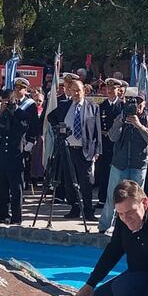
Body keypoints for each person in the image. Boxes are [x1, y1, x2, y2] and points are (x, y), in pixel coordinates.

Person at [98, 92, 148, 233]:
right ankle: (104, 226)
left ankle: (138, 226)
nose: (136, 109)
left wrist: (139, 125)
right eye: (133, 105)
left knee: (137, 198)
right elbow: (112, 137)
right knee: (112, 196)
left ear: (144, 105)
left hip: (138, 164)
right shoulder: (121, 118)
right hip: (120, 164)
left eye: (139, 105)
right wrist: (120, 121)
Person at [47, 79, 101, 221]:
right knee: (70, 181)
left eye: (79, 90)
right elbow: (50, 117)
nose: (76, 93)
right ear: (69, 92)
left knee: (86, 182)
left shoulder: (93, 107)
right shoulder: (64, 105)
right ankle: (74, 208)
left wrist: (97, 150)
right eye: (73, 90)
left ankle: (88, 210)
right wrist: (58, 129)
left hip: (85, 150)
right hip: (68, 149)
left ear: (84, 91)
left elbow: (97, 131)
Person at [0, 78, 40, 224]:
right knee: (0, 189)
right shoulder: (1, 112)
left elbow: (19, 131)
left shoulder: (22, 114)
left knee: (16, 190)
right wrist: (0, 112)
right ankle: (2, 216)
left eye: (7, 101)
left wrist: (12, 112)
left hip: (15, 156)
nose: (5, 103)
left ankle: (16, 218)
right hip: (0, 156)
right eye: (3, 101)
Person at [96, 78, 125, 206]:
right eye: (108, 88)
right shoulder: (100, 106)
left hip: (118, 143)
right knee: (103, 172)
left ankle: (117, 199)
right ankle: (102, 199)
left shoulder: (123, 106)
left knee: (118, 173)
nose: (110, 91)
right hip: (104, 142)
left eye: (113, 89)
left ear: (119, 90)